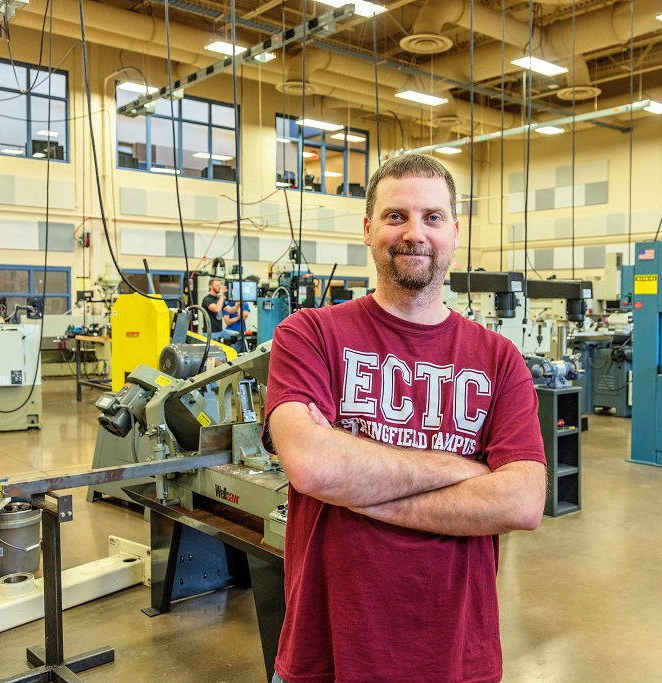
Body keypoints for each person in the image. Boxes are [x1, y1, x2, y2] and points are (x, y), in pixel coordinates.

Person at [263, 153, 547, 683]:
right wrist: (464, 467)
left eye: (432, 217)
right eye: (396, 216)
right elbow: (314, 468)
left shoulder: (499, 358)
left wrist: (358, 484)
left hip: (457, 659)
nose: (414, 233)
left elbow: (524, 500)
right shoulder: (310, 335)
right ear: (368, 229)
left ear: (455, 232)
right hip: (326, 657)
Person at [200, 277, 237, 343]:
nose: (219, 287)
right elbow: (217, 309)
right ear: (211, 286)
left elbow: (231, 310)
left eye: (220, 285)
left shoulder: (219, 299)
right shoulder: (207, 299)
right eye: (217, 285)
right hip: (211, 333)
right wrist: (223, 295)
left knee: (239, 336)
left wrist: (238, 303)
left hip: (220, 331)